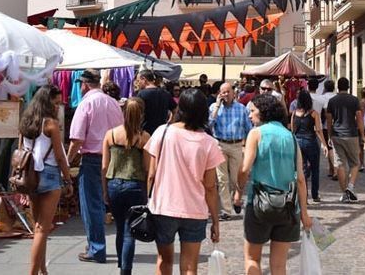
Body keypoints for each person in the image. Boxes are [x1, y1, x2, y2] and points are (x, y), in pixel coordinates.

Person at [145, 88, 222, 275]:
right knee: (189, 266)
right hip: (194, 210)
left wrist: (149, 200)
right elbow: (210, 187)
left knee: (164, 261)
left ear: (180, 108)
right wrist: (215, 220)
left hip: (163, 206)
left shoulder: (163, 132)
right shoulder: (209, 143)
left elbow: (151, 174)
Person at [235, 94, 312, 275]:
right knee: (279, 266)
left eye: (252, 111)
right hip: (287, 207)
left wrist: (238, 189)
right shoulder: (291, 137)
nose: (249, 115)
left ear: (263, 112)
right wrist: (305, 214)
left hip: (259, 204)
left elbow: (245, 169)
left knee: (252, 259)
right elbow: (300, 179)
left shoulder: (256, 133)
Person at [67, 70, 123, 264]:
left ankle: (96, 248)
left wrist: (67, 161)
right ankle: (106, 246)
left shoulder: (86, 103)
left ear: (84, 84)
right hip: (115, 157)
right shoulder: (113, 103)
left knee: (92, 205)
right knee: (109, 203)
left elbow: (76, 139)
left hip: (93, 159)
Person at [20, 85, 73, 275]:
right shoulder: (51, 124)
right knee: (43, 228)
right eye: (56, 102)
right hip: (49, 174)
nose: (58, 106)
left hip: (30, 175)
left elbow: (21, 151)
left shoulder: (26, 121)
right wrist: (67, 180)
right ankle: (33, 272)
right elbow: (60, 156)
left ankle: (42, 269)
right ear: (47, 101)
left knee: (38, 227)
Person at [101, 98, 151, 274]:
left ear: (123, 113)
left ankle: (121, 265)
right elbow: (147, 169)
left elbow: (104, 167)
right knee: (131, 231)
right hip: (135, 185)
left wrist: (105, 189)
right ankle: (125, 270)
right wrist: (149, 192)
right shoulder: (144, 138)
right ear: (141, 114)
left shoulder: (111, 135)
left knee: (120, 228)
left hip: (114, 183)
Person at [208, 82, 252, 220]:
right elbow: (209, 125)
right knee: (222, 179)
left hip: (236, 145)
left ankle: (236, 199)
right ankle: (226, 210)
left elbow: (248, 128)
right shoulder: (214, 108)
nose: (226, 95)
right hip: (220, 144)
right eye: (223, 92)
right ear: (219, 94)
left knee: (235, 178)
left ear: (234, 93)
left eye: (228, 92)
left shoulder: (241, 109)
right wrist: (216, 107)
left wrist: (248, 146)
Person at [327, 77, 364, 203]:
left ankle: (344, 193)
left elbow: (328, 120)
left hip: (337, 134)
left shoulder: (332, 101)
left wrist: (329, 135)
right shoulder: (354, 100)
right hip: (351, 134)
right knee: (355, 163)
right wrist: (362, 135)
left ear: (338, 87)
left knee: (340, 164)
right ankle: (350, 187)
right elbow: (359, 118)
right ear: (348, 87)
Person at [290, 90, 329, 202]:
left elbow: (292, 130)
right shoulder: (314, 113)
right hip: (311, 142)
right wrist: (324, 145)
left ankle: (304, 196)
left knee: (302, 170)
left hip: (298, 143)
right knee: (315, 168)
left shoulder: (294, 113)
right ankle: (315, 195)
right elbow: (318, 130)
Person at [136, 70, 177, 135]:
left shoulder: (141, 94)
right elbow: (175, 110)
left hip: (146, 132)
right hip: (162, 132)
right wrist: (170, 123)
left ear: (144, 79)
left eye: (138, 81)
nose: (138, 83)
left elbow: (136, 114)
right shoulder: (166, 93)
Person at [321, 79, 337, 179]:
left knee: (329, 147)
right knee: (333, 148)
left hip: (326, 126)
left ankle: (334, 170)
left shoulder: (322, 98)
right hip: (337, 125)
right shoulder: (337, 97)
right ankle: (331, 169)